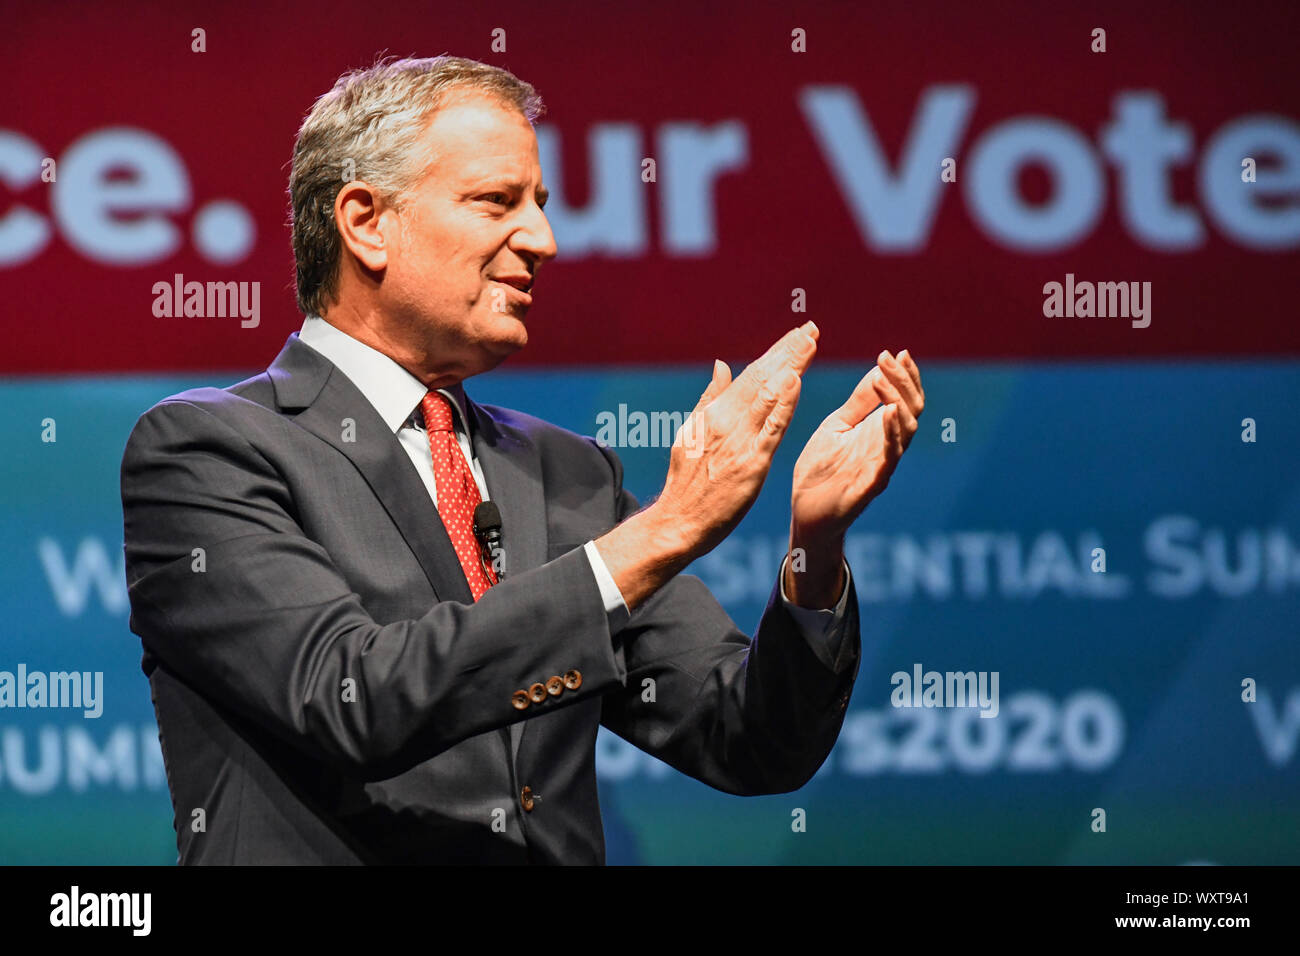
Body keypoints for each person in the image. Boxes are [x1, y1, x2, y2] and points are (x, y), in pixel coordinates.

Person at [120, 55, 925, 864]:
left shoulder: (567, 474)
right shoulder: (209, 450)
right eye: (496, 202)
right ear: (366, 222)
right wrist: (667, 529)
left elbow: (751, 740)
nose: (542, 239)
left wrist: (813, 550)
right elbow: (350, 697)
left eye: (539, 205)